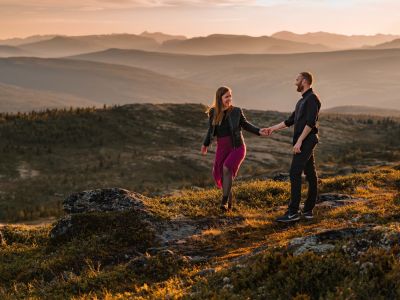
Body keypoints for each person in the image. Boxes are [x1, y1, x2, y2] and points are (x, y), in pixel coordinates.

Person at [263, 72, 321, 222]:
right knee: (310, 173)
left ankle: (293, 212)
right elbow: (289, 121)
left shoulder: (312, 99)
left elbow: (310, 123)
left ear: (305, 81)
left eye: (298, 79)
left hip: (307, 141)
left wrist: (300, 141)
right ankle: (308, 210)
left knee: (295, 172)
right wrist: (272, 129)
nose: (295, 82)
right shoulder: (301, 101)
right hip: (303, 141)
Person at [202, 86, 267, 211]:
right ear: (220, 98)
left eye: (230, 96)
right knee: (222, 173)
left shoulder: (236, 111)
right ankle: (229, 206)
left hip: (237, 146)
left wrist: (259, 131)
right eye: (226, 96)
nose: (229, 99)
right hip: (222, 147)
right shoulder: (213, 112)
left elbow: (246, 125)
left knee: (227, 168)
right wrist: (205, 144)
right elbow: (211, 130)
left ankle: (224, 202)